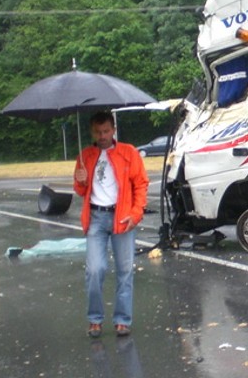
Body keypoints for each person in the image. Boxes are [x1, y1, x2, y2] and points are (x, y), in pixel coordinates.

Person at [74, 111, 148, 338]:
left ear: (113, 130)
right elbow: (80, 191)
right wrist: (80, 180)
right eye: (98, 132)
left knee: (125, 271)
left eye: (106, 131)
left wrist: (135, 215)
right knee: (95, 270)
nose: (102, 135)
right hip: (96, 218)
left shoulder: (128, 152)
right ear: (92, 132)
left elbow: (141, 184)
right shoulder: (85, 155)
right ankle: (95, 319)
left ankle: (122, 320)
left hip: (122, 217)